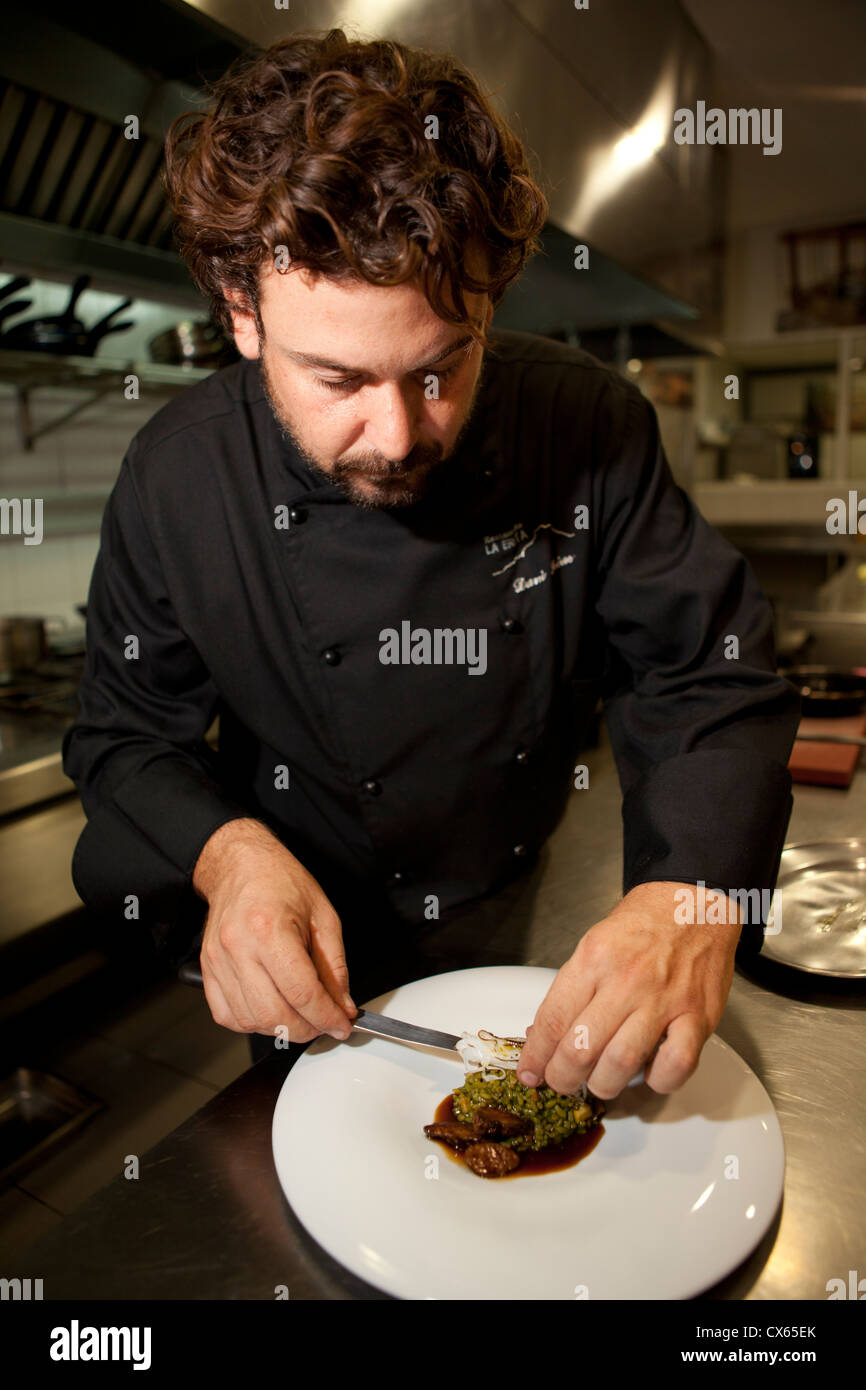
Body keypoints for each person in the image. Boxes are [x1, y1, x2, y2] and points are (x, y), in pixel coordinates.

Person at [63, 28, 800, 1098]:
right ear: (240, 313)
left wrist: (689, 897)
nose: (402, 434)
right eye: (339, 378)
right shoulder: (176, 479)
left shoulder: (585, 424)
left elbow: (710, 674)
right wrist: (228, 855)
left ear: (489, 304)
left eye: (439, 366)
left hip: (511, 895)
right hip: (295, 920)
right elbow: (125, 733)